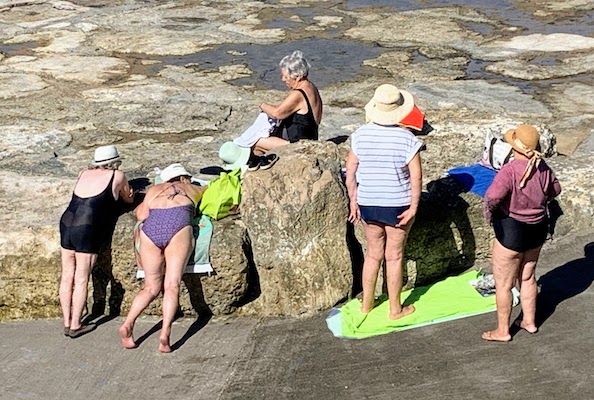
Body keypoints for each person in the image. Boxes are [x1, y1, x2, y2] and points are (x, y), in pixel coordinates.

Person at [345, 84, 423, 320]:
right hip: (397, 203)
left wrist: (353, 201)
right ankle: (395, 309)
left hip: (369, 202)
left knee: (373, 254)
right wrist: (414, 206)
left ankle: (366, 304)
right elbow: (417, 175)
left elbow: (350, 172)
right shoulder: (407, 138)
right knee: (395, 256)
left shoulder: (359, 135)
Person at [481, 124, 561, 342]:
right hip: (537, 228)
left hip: (511, 231)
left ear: (514, 147)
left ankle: (502, 331)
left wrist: (490, 213)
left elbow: (493, 196)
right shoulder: (543, 167)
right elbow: (556, 190)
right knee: (527, 276)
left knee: (504, 284)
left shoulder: (510, 170)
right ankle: (529, 321)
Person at [119, 163, 205, 353]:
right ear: (183, 178)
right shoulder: (193, 188)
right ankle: (165, 334)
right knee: (172, 285)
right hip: (178, 224)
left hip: (151, 229)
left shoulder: (154, 190)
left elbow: (140, 215)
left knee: (150, 287)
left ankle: (128, 323)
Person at [59, 145, 134, 338]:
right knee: (82, 277)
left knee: (67, 275)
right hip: (87, 224)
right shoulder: (117, 176)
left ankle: (67, 320)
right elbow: (127, 198)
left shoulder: (83, 172)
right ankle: (76, 325)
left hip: (67, 220)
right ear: (115, 162)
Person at [249, 50, 322, 170]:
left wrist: (262, 105)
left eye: (286, 76)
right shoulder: (311, 87)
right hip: (311, 137)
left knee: (254, 142)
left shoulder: (299, 94)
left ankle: (262, 171)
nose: (283, 79)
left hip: (298, 144)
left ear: (297, 77)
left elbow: (277, 113)